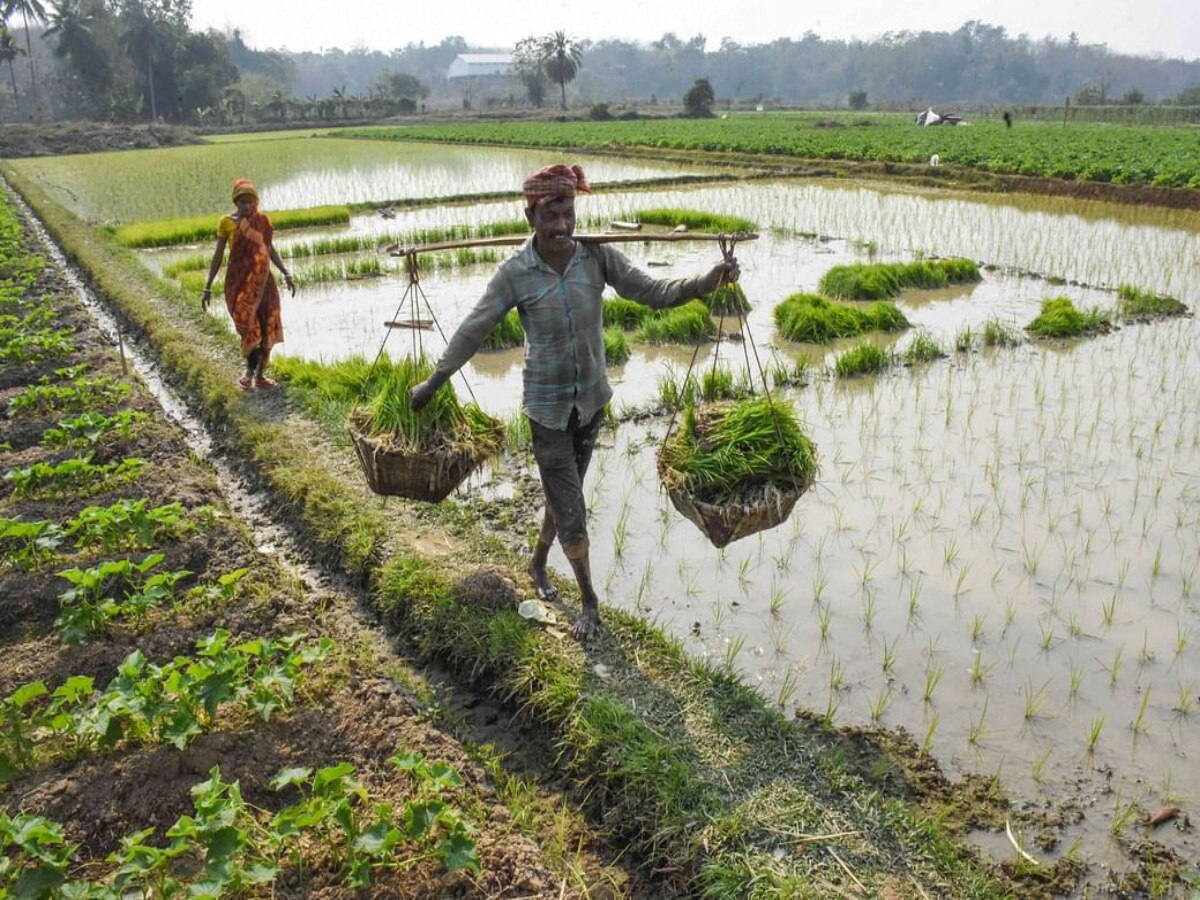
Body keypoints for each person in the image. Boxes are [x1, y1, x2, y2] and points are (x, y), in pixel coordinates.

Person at [410, 164, 739, 641]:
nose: (562, 225)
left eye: (568, 213)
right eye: (550, 215)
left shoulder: (596, 258)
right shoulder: (515, 274)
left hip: (590, 401)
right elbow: (474, 328)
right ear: (530, 218)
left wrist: (703, 284)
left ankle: (539, 560)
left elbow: (651, 292)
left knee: (566, 495)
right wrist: (434, 381)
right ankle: (589, 602)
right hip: (545, 408)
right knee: (571, 504)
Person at [201, 178, 295, 390]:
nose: (246, 206)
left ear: (255, 202)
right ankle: (249, 371)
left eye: (250, 202)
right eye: (242, 202)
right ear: (236, 202)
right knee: (248, 325)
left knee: (266, 324)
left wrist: (286, 272)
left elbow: (269, 250)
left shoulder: (262, 222)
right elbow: (217, 256)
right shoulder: (226, 222)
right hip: (240, 284)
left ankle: (258, 375)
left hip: (264, 283)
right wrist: (207, 286)